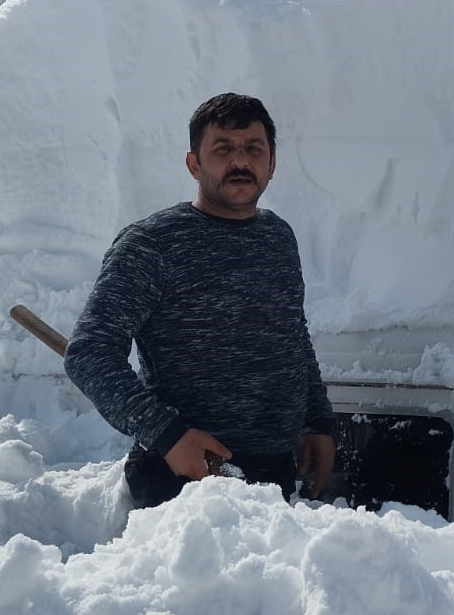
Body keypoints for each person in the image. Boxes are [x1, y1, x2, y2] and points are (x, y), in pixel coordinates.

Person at [63, 92, 336, 508]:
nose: (240, 161)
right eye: (223, 149)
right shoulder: (151, 246)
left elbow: (292, 337)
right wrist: (167, 435)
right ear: (195, 164)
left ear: (272, 165)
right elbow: (89, 353)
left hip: (275, 475)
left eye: (253, 149)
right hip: (180, 486)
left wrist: (318, 422)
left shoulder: (278, 239)